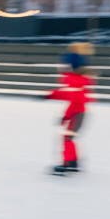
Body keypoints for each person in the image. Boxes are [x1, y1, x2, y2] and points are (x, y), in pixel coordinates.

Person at [43, 42, 95, 174]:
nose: (62, 67)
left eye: (65, 65)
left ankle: (68, 163)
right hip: (78, 113)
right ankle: (73, 162)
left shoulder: (74, 80)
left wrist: (66, 117)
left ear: (72, 66)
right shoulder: (75, 80)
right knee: (68, 138)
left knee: (68, 138)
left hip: (77, 114)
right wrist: (50, 95)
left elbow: (74, 101)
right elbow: (65, 93)